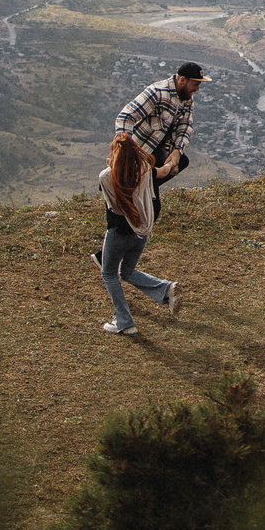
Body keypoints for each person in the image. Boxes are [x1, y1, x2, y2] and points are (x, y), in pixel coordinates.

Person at [95, 62, 207, 335]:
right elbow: (125, 118)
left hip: (151, 166)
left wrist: (176, 155)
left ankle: (124, 317)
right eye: (194, 84)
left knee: (126, 208)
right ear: (181, 79)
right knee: (134, 198)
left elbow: (184, 129)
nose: (196, 90)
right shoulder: (156, 93)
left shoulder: (186, 100)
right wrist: (131, 154)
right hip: (140, 160)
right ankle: (152, 284)